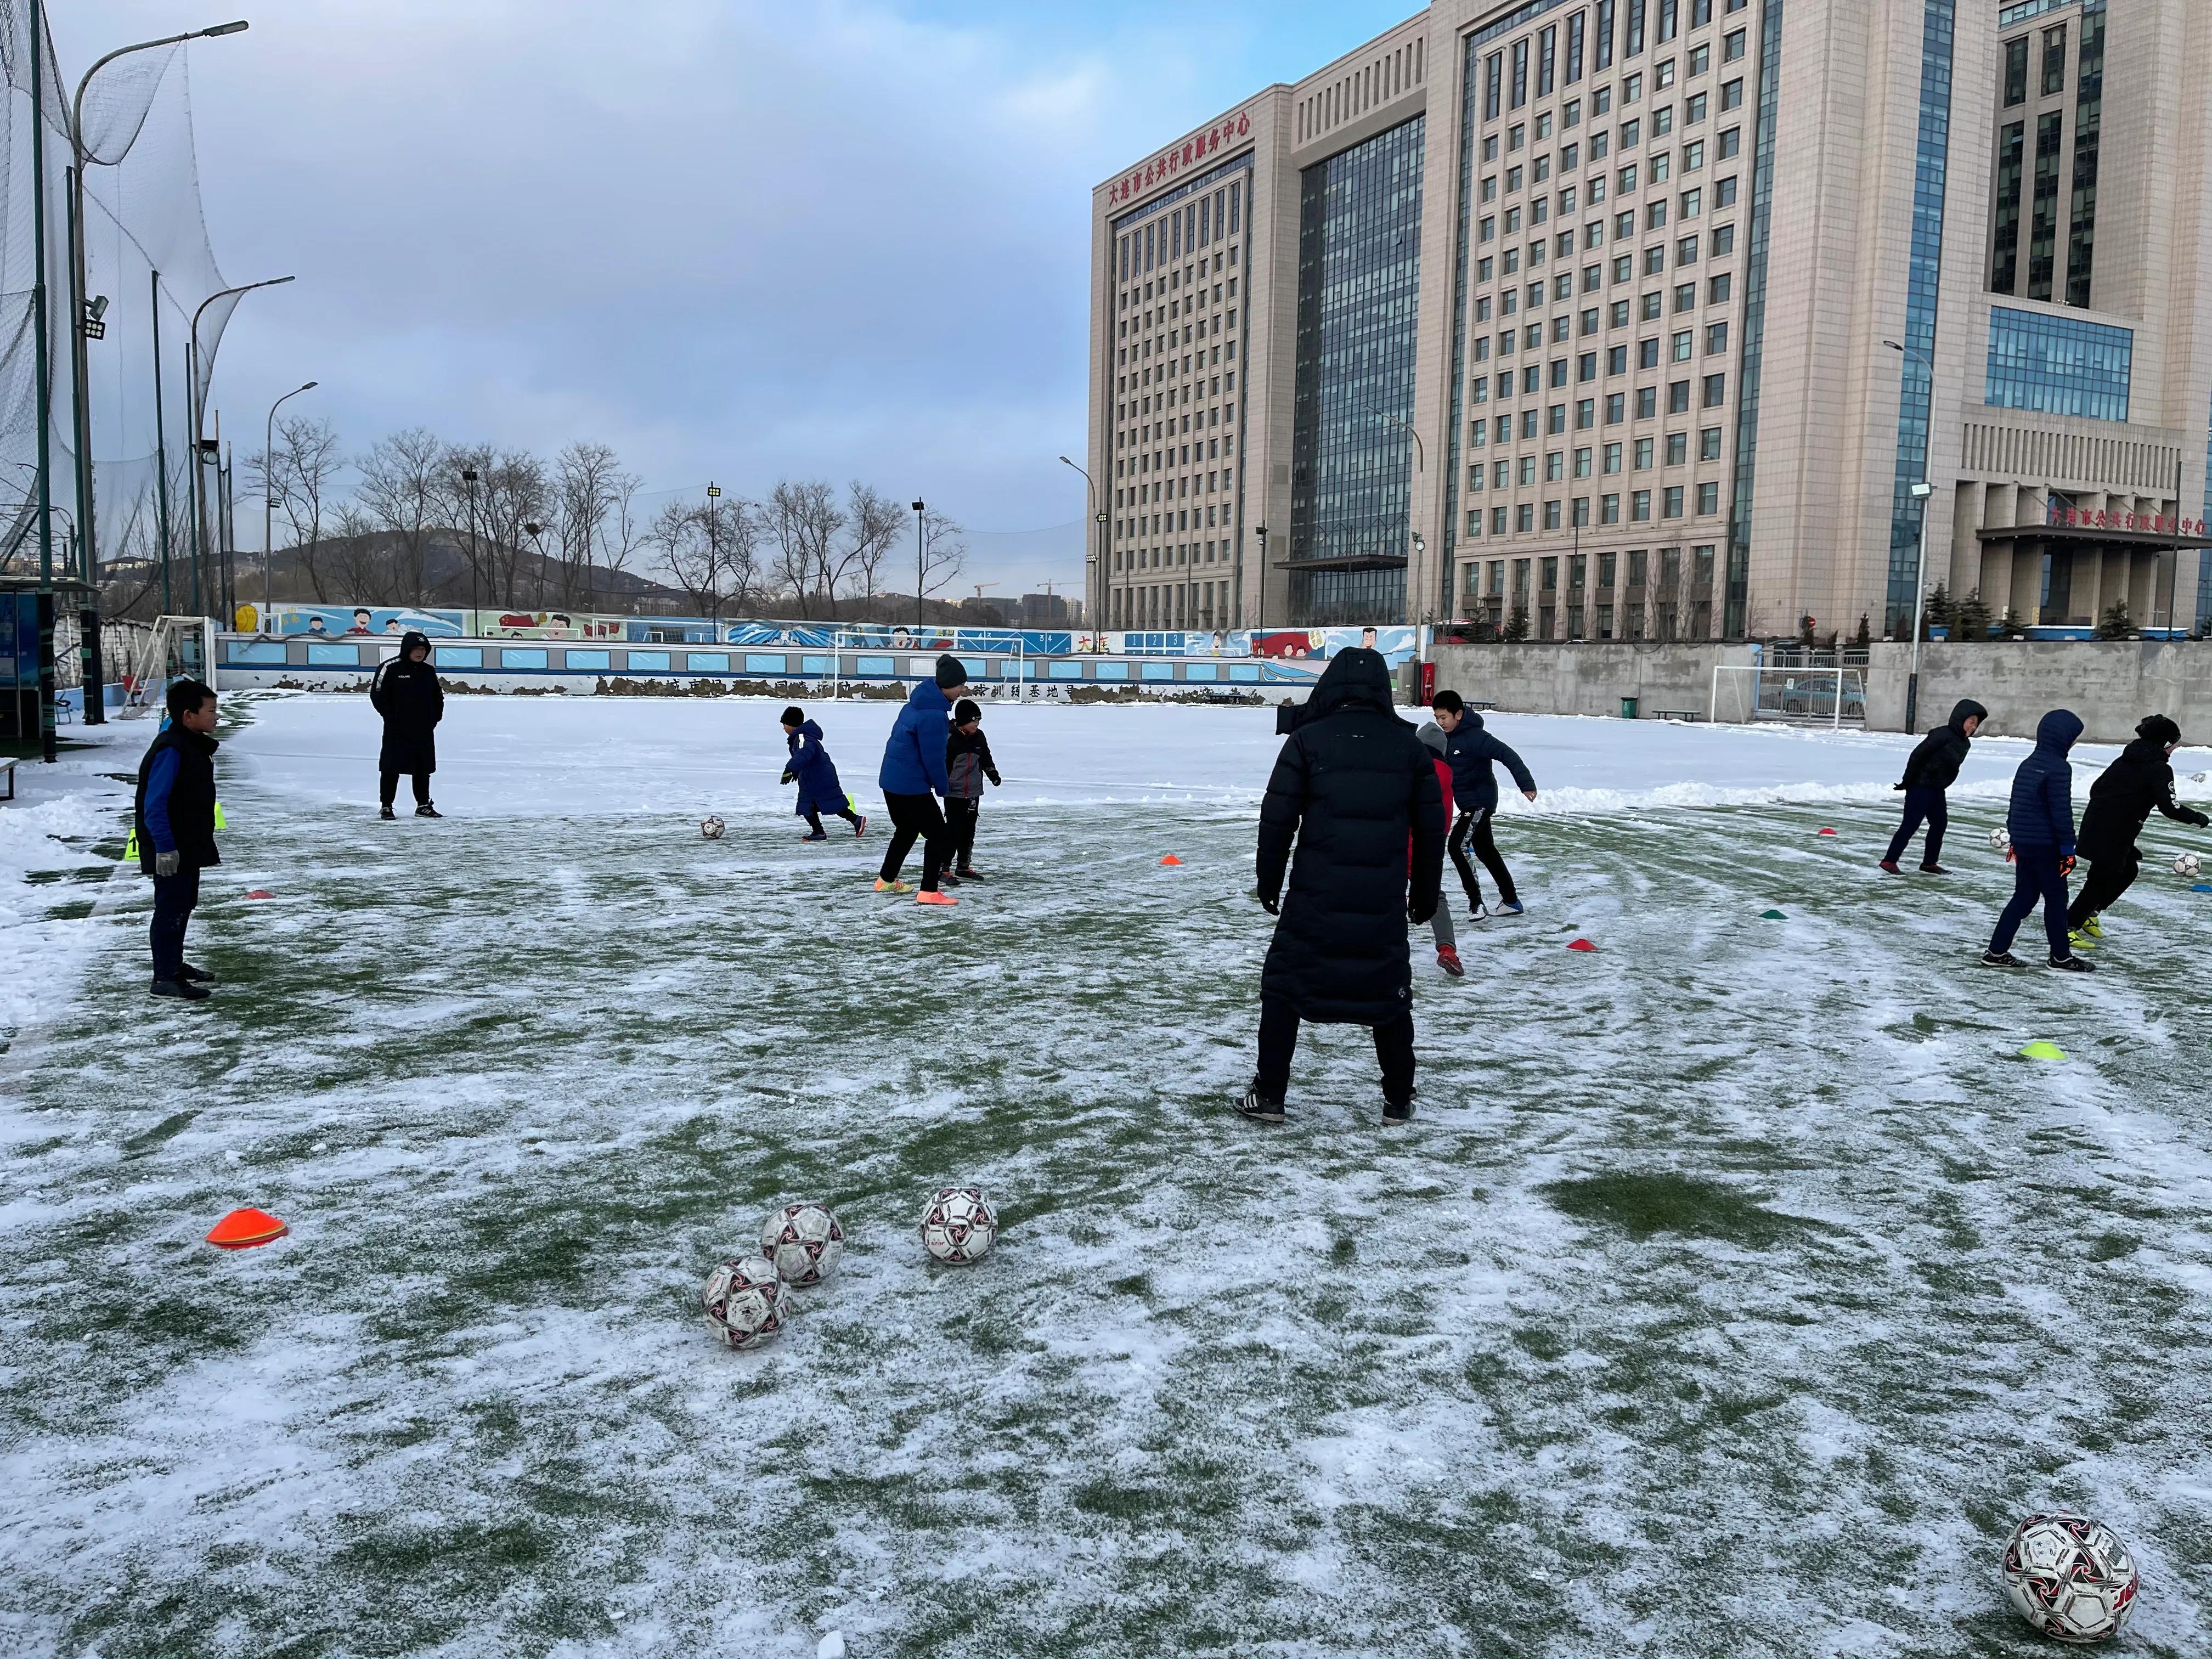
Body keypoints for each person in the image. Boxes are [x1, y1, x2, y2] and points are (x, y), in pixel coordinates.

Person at [1242, 648, 1445, 1125]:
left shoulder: (1307, 741)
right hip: (1382, 900)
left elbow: (1276, 822)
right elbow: (1432, 833)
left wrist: (1268, 881)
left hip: (1315, 896)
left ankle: (1270, 1094)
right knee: (1388, 995)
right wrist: (1424, 897)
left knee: (1284, 990)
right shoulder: (1411, 749)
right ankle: (1398, 1100)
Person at [2065, 714, 2209, 946]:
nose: (2174, 750)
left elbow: (2096, 789)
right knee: (2101, 879)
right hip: (2113, 833)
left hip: (2100, 827)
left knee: (2128, 870)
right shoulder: (2158, 769)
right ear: (2164, 744)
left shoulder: (2124, 760)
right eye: (2173, 745)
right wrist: (2198, 818)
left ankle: (2091, 914)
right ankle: (2068, 926)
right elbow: (2169, 808)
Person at [1984, 709, 2091, 971]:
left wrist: (2016, 838)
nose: (2074, 742)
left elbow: (2016, 807)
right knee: (2056, 901)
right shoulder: (2059, 768)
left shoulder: (2028, 763)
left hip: (2025, 845)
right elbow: (2061, 813)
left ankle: (1996, 952)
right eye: (2073, 737)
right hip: (2047, 848)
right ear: (2063, 738)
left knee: (2023, 898)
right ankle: (2061, 957)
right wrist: (2067, 850)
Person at [136, 679, 222, 1001]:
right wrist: (165, 848)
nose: (216, 717)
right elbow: (155, 804)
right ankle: (165, 977)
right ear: (188, 715)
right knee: (170, 906)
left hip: (189, 841)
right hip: (172, 845)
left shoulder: (191, 744)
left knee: (184, 903)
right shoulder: (172, 749)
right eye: (211, 711)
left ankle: (174, 964)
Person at [1430, 689, 1537, 919]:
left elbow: (1507, 754)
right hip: (1468, 803)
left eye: (1444, 717)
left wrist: (1526, 784)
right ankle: (1511, 901)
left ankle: (1476, 902)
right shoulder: (1448, 738)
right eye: (1437, 718)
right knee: (1486, 850)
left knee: (1457, 845)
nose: (1440, 723)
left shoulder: (1476, 737)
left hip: (1479, 802)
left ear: (1458, 714)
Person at [876, 653, 968, 906]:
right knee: (940, 835)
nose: (963, 690)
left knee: (906, 830)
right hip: (910, 785)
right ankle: (929, 891)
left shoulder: (915, 705)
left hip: (891, 781)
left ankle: (886, 880)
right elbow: (933, 757)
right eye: (960, 685)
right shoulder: (935, 716)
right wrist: (943, 787)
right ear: (948, 685)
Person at [1880, 698, 1988, 874]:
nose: (1973, 727)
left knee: (1940, 824)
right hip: (1920, 786)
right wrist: (1908, 781)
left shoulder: (1965, 743)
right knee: (1911, 824)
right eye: (1971, 722)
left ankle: (1929, 863)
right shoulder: (1942, 734)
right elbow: (1918, 755)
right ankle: (1889, 861)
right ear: (1960, 719)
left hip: (1937, 789)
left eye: (1976, 724)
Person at [370, 630, 444, 819]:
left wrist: (434, 718)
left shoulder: (428, 671)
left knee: (423, 768)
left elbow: (438, 697)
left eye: (423, 649)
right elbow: (377, 694)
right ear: (407, 649)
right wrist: (390, 716)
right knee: (391, 767)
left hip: (423, 729)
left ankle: (423, 805)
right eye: (416, 648)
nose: (420, 653)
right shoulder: (390, 668)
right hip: (397, 728)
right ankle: (386, 806)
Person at [1416, 721, 1465, 977]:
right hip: (1432, 849)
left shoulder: (1412, 771)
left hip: (1401, 844)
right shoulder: (1447, 776)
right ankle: (1448, 949)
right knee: (1436, 897)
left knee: (1380, 893)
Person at [780, 706, 865, 841]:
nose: (784, 728)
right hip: (819, 775)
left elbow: (803, 754)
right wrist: (796, 771)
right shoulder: (803, 737)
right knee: (828, 802)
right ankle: (855, 820)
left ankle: (819, 832)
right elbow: (805, 758)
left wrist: (790, 768)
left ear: (793, 724)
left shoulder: (802, 738)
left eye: (784, 724)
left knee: (807, 805)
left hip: (817, 777)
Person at [944, 697, 1001, 881]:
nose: (977, 724)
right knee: (953, 830)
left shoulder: (979, 736)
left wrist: (992, 774)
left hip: (974, 792)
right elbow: (940, 763)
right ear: (963, 721)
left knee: (969, 829)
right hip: (954, 792)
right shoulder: (949, 737)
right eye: (974, 720)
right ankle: (944, 868)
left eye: (979, 720)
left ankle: (963, 867)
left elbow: (986, 757)